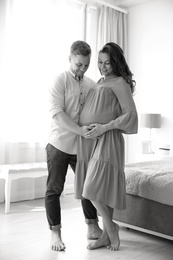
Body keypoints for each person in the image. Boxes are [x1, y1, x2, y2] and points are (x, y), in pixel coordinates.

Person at [75, 42, 138, 251]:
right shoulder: (102, 81)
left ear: (116, 63)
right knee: (103, 190)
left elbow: (130, 115)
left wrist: (104, 128)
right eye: (100, 62)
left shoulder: (120, 82)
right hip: (92, 140)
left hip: (108, 139)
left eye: (107, 63)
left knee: (91, 190)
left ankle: (111, 229)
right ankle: (104, 235)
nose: (102, 67)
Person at [45, 40, 102, 251]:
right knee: (54, 190)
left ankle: (93, 227)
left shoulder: (91, 84)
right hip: (58, 144)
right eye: (79, 64)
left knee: (88, 187)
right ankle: (55, 233)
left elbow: (100, 106)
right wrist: (80, 130)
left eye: (86, 65)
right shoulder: (59, 81)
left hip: (81, 148)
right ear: (70, 59)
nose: (82, 69)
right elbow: (58, 115)